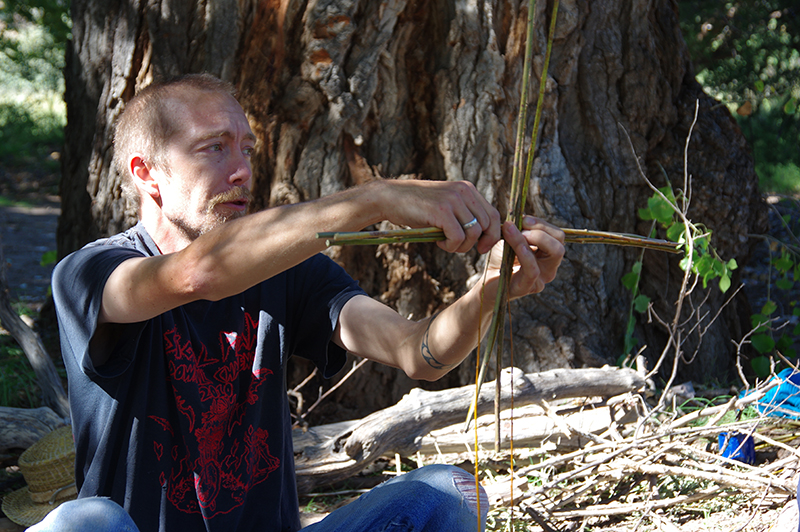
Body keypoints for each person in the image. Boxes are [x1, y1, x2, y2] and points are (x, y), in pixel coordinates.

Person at [43, 73, 565, 532]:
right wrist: (376, 197)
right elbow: (196, 274)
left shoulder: (290, 271)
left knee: (452, 492)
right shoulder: (89, 274)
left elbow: (416, 351)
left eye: (246, 149)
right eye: (213, 147)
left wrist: (490, 292)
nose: (242, 169)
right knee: (83, 523)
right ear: (146, 173)